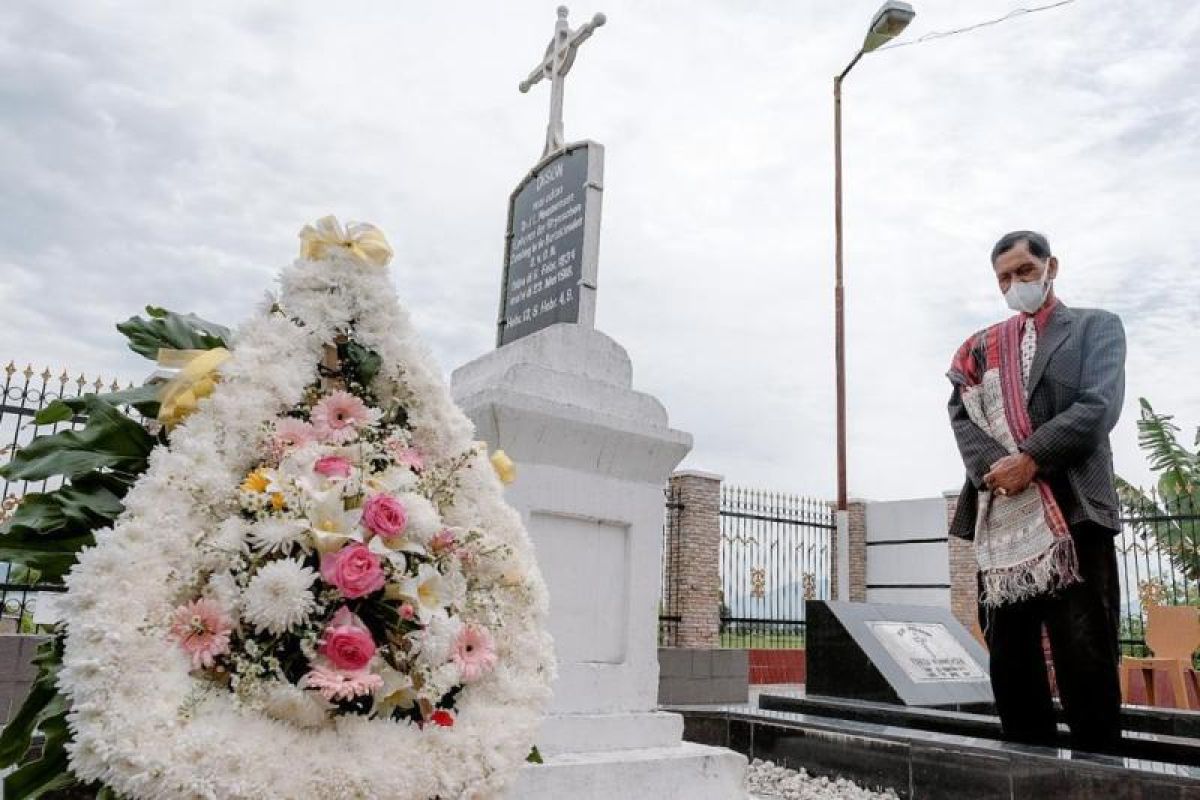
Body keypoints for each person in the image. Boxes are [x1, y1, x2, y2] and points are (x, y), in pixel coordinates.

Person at [946, 230, 1126, 753]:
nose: (1015, 284)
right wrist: (996, 470)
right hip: (1003, 517)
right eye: (1004, 277)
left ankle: (1098, 771)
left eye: (1024, 271)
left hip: (1074, 513)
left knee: (1084, 653)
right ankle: (1027, 767)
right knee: (1009, 655)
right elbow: (961, 412)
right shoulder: (982, 346)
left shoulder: (1096, 327)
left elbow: (1098, 406)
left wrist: (1032, 459)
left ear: (1051, 267)